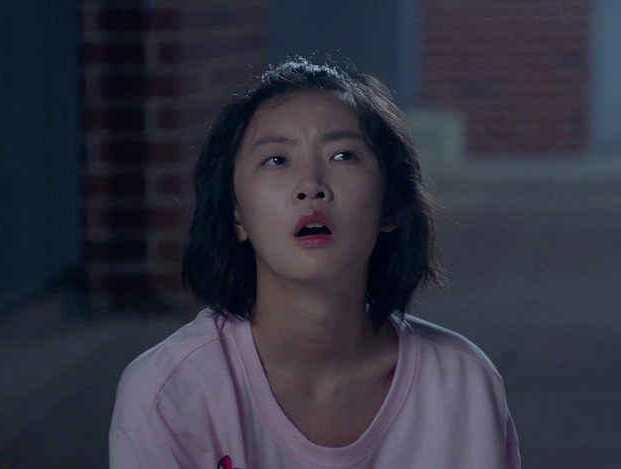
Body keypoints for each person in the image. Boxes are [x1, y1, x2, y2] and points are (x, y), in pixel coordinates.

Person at [109, 58, 520, 468]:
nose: (310, 186)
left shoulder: (463, 384)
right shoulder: (169, 393)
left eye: (343, 155)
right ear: (237, 214)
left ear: (389, 206)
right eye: (276, 160)